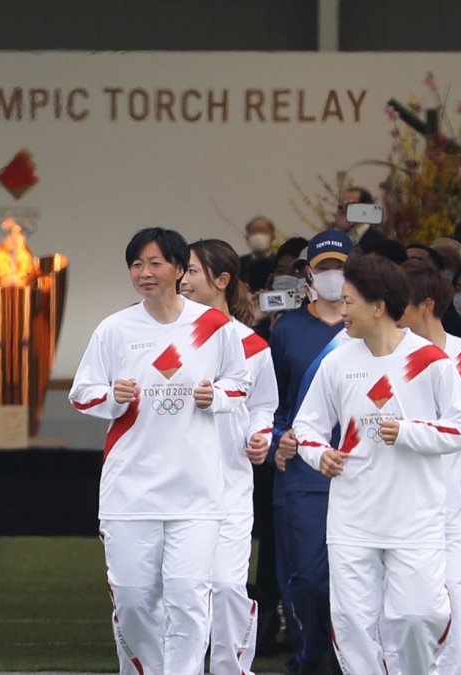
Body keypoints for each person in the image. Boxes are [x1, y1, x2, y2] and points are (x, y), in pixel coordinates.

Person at [69, 227, 250, 674]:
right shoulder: (116, 328)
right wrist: (114, 394)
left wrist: (218, 397)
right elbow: (81, 393)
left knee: (189, 598)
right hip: (130, 491)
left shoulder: (215, 327)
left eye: (154, 263)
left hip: (196, 492)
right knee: (133, 601)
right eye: (136, 264)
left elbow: (240, 384)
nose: (144, 273)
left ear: (177, 269)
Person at [293, 254, 461, 673]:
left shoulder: (429, 360)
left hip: (414, 518)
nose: (341, 311)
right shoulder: (337, 362)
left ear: (378, 306)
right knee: (354, 623)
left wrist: (409, 432)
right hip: (353, 519)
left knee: (420, 615)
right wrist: (319, 453)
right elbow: (306, 427)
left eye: (349, 301)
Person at [180, 239, 278, 675]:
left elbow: (263, 406)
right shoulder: (168, 337)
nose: (182, 279)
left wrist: (260, 436)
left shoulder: (252, 345)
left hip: (231, 484)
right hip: (176, 486)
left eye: (191, 271)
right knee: (181, 591)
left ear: (221, 280)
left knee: (227, 586)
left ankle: (231, 669)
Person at [397, 258, 461, 674]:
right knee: (407, 611)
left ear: (426, 305)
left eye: (400, 302)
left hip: (456, 504)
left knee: (457, 600)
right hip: (401, 501)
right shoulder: (389, 357)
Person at [270, 230, 352, 675]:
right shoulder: (287, 330)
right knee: (307, 577)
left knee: (353, 575)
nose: (332, 277)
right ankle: (310, 655)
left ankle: (348, 659)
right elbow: (274, 402)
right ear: (308, 274)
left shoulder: (371, 329)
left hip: (360, 468)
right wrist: (279, 436)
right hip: (303, 471)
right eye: (323, 269)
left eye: (340, 267)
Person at [334, 186, 390, 253]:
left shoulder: (379, 240)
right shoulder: (335, 238)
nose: (343, 209)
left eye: (350, 204)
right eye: (341, 205)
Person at [239, 216, 277, 293]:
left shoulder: (279, 263)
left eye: (262, 231)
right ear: (247, 237)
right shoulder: (239, 264)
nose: (258, 236)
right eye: (254, 232)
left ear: (273, 236)